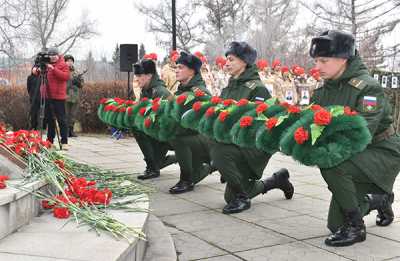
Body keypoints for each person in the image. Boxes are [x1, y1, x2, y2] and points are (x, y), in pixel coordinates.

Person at [310, 30, 400, 247]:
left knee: (331, 163)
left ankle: (355, 227)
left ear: (343, 58)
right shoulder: (323, 91)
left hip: (381, 151)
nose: (318, 67)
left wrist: (324, 144)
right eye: (316, 61)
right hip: (354, 151)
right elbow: (310, 121)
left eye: (324, 60)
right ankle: (379, 200)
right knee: (334, 224)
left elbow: (362, 132)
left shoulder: (368, 87)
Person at [210, 41, 294, 214]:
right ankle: (277, 180)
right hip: (233, 142)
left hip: (251, 146)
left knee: (219, 152)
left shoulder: (258, 89)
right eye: (227, 59)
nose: (226, 63)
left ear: (244, 62)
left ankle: (242, 197)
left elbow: (257, 125)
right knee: (228, 196)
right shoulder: (228, 88)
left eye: (231, 59)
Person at [168, 52, 213, 194]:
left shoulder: (199, 92)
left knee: (177, 136)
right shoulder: (182, 89)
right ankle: (154, 164)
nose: (176, 70)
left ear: (192, 70)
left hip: (205, 139)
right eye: (176, 67)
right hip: (193, 136)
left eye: (180, 67)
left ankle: (187, 179)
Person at [132, 59, 177, 180]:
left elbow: (166, 119)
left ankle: (152, 167)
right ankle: (156, 164)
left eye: (139, 75)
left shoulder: (159, 92)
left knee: (139, 129)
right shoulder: (147, 90)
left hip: (166, 134)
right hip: (156, 132)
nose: (136, 79)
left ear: (149, 76)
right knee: (157, 163)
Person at [33, 47, 70, 150]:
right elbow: (35, 73)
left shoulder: (63, 65)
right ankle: (49, 142)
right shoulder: (46, 64)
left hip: (59, 97)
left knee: (61, 119)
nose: (53, 57)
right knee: (50, 120)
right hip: (47, 96)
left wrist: (53, 69)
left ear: (58, 55)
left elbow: (65, 77)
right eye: (51, 55)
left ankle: (64, 141)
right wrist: (36, 69)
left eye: (54, 55)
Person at [64, 55, 84, 137]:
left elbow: (82, 84)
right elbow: (61, 84)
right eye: (68, 61)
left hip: (75, 97)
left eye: (71, 61)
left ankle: (71, 131)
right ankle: (65, 131)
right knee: (65, 114)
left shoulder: (77, 72)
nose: (70, 62)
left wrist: (78, 83)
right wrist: (70, 83)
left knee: (73, 115)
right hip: (65, 96)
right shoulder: (63, 71)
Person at [27, 58, 41, 130]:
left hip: (41, 97)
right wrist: (32, 95)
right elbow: (28, 88)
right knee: (33, 113)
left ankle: (40, 126)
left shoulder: (42, 77)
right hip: (33, 98)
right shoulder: (30, 77)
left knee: (41, 113)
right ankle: (33, 126)